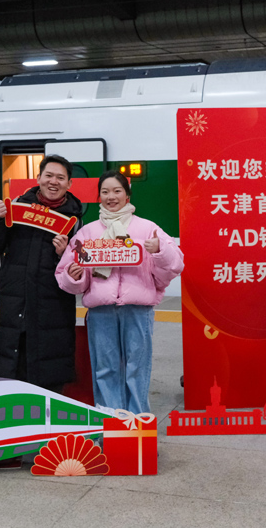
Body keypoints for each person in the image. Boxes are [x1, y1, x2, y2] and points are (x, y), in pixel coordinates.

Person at [55, 170, 184, 414]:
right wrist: (74, 275)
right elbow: (66, 275)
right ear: (99, 197)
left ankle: (138, 424)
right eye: (105, 192)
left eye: (117, 191)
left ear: (127, 195)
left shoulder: (148, 229)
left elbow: (176, 264)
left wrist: (159, 250)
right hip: (101, 312)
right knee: (105, 369)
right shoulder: (87, 233)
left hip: (138, 311)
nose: (111, 196)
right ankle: (111, 422)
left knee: (137, 369)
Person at [0, 155, 83, 394]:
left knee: (50, 378)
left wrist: (63, 254)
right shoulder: (17, 207)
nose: (53, 182)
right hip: (14, 306)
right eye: (49, 175)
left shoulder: (76, 220)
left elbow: (79, 269)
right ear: (38, 178)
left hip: (53, 312)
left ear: (69, 183)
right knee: (12, 376)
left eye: (60, 178)